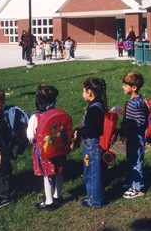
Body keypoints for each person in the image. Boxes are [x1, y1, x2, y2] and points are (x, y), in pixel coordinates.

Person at [27, 84, 67, 211]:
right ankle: (58, 195)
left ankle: (49, 202)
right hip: (59, 149)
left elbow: (30, 136)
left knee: (47, 175)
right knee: (59, 171)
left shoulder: (36, 116)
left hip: (44, 152)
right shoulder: (58, 113)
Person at [73, 77, 107, 208]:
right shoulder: (99, 105)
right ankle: (96, 196)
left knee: (92, 172)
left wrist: (80, 133)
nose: (82, 94)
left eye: (83, 91)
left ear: (90, 92)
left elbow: (92, 129)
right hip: (95, 145)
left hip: (92, 145)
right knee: (96, 171)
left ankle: (94, 200)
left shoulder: (94, 109)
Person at [120, 72, 148, 198]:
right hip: (131, 136)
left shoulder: (138, 103)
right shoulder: (131, 101)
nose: (123, 87)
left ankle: (138, 187)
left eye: (125, 85)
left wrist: (130, 126)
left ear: (134, 88)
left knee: (137, 160)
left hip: (137, 136)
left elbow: (141, 122)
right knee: (131, 158)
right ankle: (132, 180)